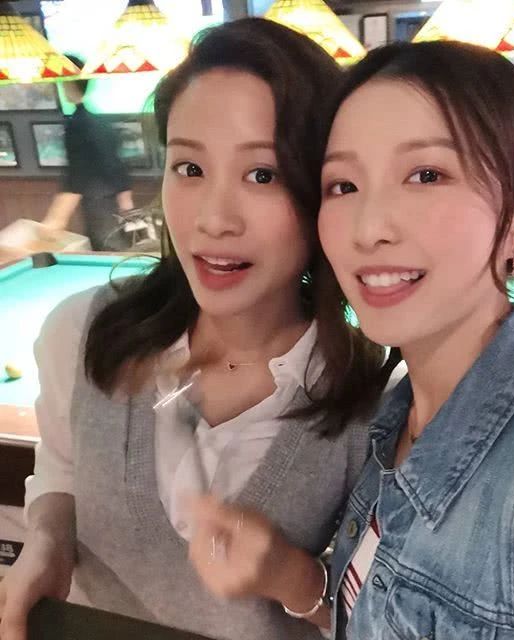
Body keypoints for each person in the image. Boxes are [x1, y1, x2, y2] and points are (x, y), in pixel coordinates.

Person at [187, 41, 514, 639]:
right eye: (343, 185)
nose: (369, 228)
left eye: (426, 175)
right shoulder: (400, 421)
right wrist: (287, 574)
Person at [0, 19, 392, 640]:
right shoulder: (80, 333)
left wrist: (293, 577)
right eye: (189, 167)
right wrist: (47, 542)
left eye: (262, 174)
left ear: (324, 190)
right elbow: (62, 471)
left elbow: (387, 619)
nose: (213, 219)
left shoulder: (378, 407)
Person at [40, 54, 133, 251]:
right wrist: (126, 201)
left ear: (67, 84)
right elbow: (115, 164)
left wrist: (58, 217)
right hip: (109, 201)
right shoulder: (100, 122)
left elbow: (77, 174)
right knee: (114, 248)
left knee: (108, 250)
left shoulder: (77, 125)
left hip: (97, 202)